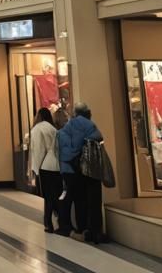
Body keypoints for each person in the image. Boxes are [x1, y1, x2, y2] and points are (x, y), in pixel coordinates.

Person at [57, 102, 106, 243]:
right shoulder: (89, 125)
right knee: (93, 199)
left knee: (78, 200)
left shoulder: (67, 128)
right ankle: (94, 230)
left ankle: (81, 228)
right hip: (90, 168)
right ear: (88, 112)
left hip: (71, 170)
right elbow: (98, 138)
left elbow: (67, 149)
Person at [28, 107, 61, 232]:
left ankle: (48, 223)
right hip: (57, 165)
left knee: (48, 196)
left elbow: (38, 150)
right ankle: (58, 220)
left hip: (45, 165)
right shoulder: (53, 128)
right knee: (56, 194)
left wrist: (35, 169)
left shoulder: (37, 129)